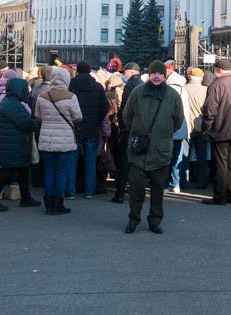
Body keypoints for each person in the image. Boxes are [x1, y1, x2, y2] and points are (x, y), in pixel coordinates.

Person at [121, 60, 184, 233]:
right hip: (139, 150)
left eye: (160, 74)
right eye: (154, 73)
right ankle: (133, 219)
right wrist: (138, 132)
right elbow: (127, 116)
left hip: (160, 150)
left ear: (165, 75)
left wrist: (163, 133)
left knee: (157, 190)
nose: (157, 76)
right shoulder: (137, 92)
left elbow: (178, 120)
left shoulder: (172, 95)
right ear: (149, 75)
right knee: (136, 189)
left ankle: (155, 221)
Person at [200, 59, 231, 206]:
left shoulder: (216, 85)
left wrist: (206, 128)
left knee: (221, 164)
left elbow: (210, 110)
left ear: (218, 70)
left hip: (220, 130)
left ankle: (220, 196)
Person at [0, 77, 41, 211]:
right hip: (14, 145)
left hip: (13, 143)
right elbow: (26, 123)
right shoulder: (13, 105)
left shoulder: (10, 102)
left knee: (22, 172)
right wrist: (35, 122)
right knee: (5, 173)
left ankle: (26, 198)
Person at [35, 66, 82, 216]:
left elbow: (37, 116)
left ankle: (48, 205)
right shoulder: (71, 96)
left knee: (49, 171)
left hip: (46, 138)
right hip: (65, 139)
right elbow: (78, 117)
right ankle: (58, 204)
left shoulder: (42, 96)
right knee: (61, 171)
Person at [70, 61, 109, 199]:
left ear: (78, 71)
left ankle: (71, 191)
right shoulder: (97, 87)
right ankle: (89, 191)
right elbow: (105, 107)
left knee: (72, 160)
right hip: (92, 128)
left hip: (75, 128)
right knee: (90, 161)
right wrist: (96, 119)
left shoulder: (72, 85)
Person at [110, 62, 143, 204]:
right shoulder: (142, 84)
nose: (124, 75)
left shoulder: (130, 85)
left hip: (129, 129)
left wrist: (121, 123)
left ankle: (119, 194)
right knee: (138, 164)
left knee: (124, 162)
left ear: (130, 72)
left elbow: (125, 107)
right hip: (140, 129)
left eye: (125, 72)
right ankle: (138, 193)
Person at [164, 60, 191, 194]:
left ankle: (164, 185)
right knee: (177, 157)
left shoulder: (168, 90)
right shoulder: (183, 90)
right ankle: (176, 184)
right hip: (181, 128)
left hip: (168, 129)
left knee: (165, 157)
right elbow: (186, 111)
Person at [181, 67, 209, 189]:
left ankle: (184, 181)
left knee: (185, 156)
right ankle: (202, 182)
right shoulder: (206, 90)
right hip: (201, 127)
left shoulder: (184, 89)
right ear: (201, 78)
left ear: (189, 76)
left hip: (187, 127)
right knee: (201, 156)